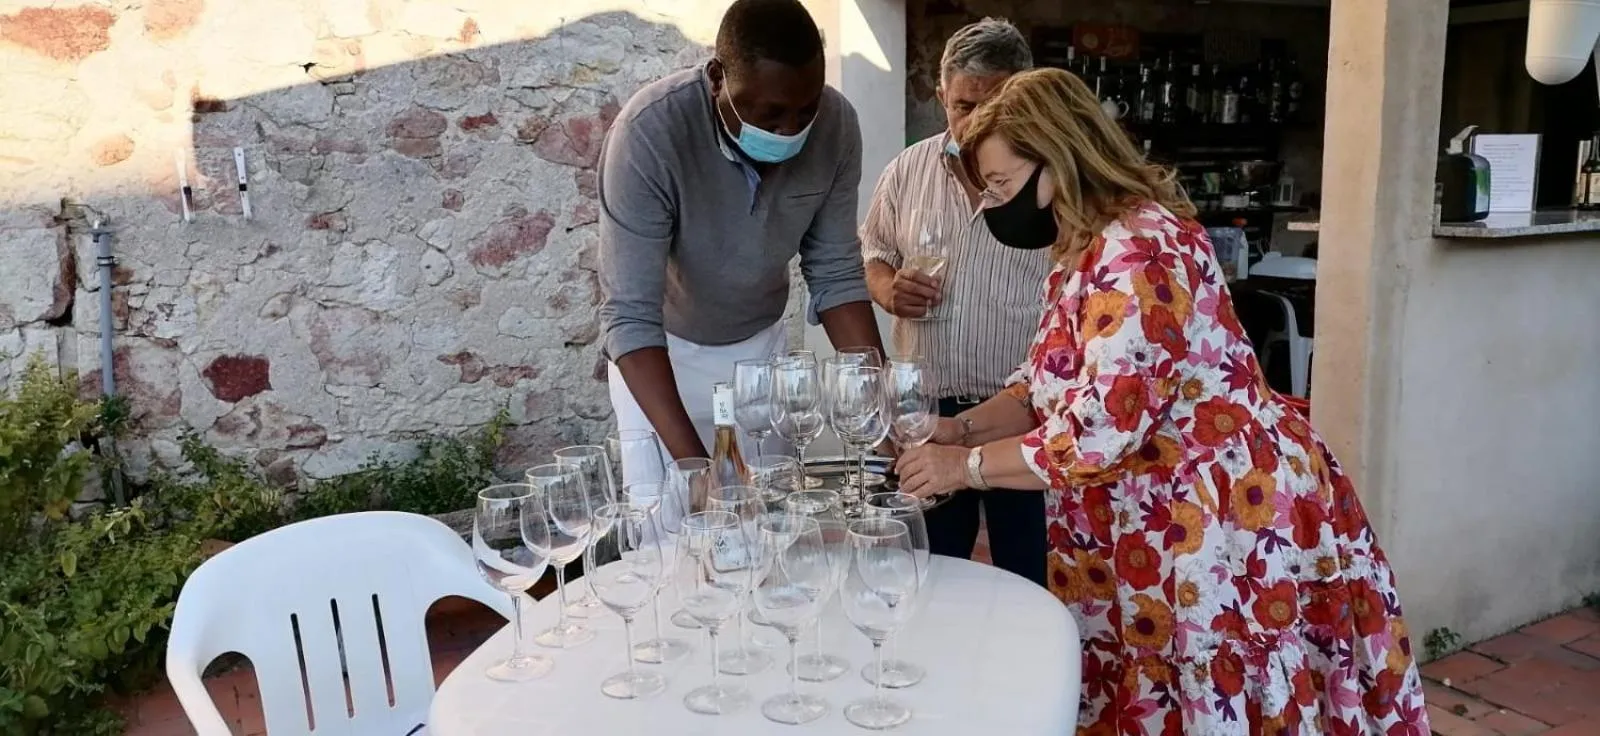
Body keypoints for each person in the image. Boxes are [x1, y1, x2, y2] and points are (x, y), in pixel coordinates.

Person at [896, 69, 1429, 734]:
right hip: (1157, 517)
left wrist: (962, 469)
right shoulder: (1086, 246)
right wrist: (960, 429)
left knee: (1213, 692)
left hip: (1217, 517)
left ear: (1059, 157)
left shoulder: (1138, 250)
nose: (992, 206)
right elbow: (1044, 383)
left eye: (1001, 185)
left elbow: (1098, 432)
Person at [597, 0, 885, 479]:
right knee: (667, 529)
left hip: (760, 356)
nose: (790, 131)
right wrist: (699, 469)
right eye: (770, 114)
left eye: (805, 110)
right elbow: (630, 314)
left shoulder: (836, 127)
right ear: (716, 79)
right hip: (663, 358)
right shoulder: (649, 133)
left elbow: (836, 274)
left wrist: (879, 412)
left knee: (766, 518)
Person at [861, 18, 1051, 587]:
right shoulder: (906, 171)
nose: (978, 123)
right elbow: (872, 254)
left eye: (997, 105)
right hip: (931, 414)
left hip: (1023, 419)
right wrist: (889, 290)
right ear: (940, 93)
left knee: (1029, 578)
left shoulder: (1047, 182)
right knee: (930, 574)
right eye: (964, 105)